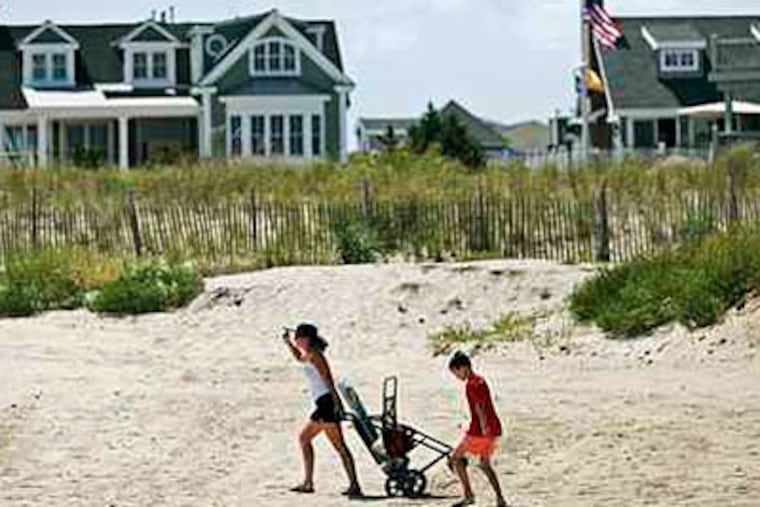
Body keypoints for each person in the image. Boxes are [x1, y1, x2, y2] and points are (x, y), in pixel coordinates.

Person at [282, 323, 363, 498]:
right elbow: (299, 358)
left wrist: (336, 404)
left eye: (298, 338)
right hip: (323, 404)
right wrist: (287, 343)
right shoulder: (309, 354)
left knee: (308, 439)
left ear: (306, 339)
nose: (296, 341)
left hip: (326, 404)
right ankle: (351, 484)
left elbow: (328, 379)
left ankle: (310, 483)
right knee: (335, 445)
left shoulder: (316, 356)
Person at [448, 351, 508, 507]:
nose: (457, 377)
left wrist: (483, 427)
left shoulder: (472, 385)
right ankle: (500, 499)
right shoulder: (480, 380)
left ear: (463, 368)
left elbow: (479, 407)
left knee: (455, 458)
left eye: (456, 372)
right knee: (484, 464)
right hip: (492, 428)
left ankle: (469, 495)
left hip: (481, 431)